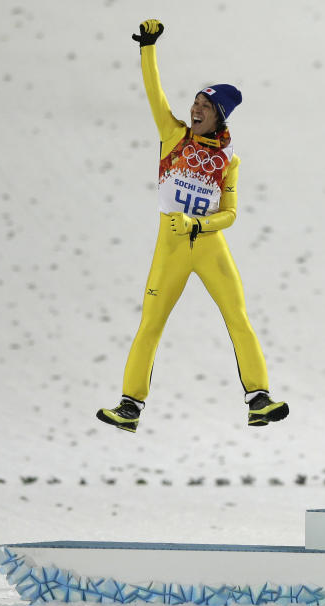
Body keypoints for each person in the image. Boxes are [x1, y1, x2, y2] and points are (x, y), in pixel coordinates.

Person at [96, 19, 288, 433]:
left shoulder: (229, 160)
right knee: (151, 322)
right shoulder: (174, 136)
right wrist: (148, 48)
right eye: (195, 102)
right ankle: (130, 405)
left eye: (205, 106)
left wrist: (199, 224)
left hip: (207, 243)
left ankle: (259, 399)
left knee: (238, 316)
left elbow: (231, 214)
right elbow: (154, 93)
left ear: (219, 116)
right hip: (170, 245)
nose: (195, 109)